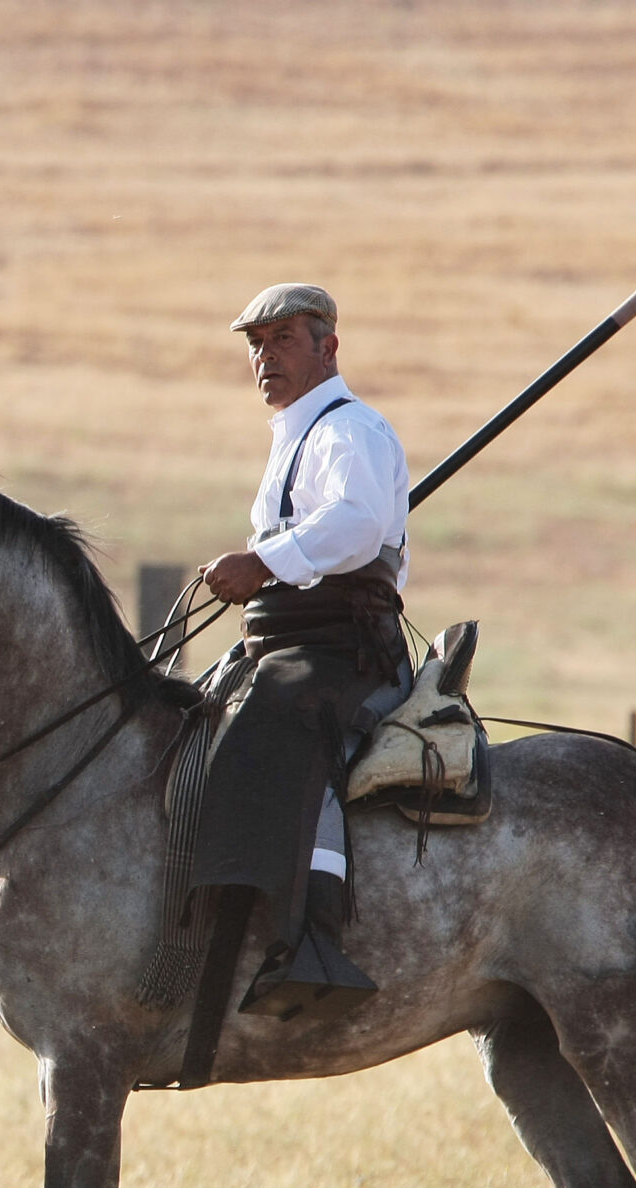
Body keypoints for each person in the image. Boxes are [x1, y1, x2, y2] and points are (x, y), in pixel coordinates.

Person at [189, 282, 412, 1018]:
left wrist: (261, 564)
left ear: (329, 347)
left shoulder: (350, 431)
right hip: (284, 643)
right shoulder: (296, 437)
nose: (264, 357)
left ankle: (313, 936)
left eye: (282, 339)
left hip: (341, 649)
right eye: (256, 344)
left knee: (280, 726)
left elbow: (355, 525)